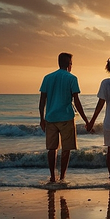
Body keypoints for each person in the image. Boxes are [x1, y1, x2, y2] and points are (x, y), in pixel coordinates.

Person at [39, 52, 89, 182]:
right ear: (69, 64)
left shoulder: (47, 78)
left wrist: (41, 118)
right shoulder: (72, 78)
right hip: (66, 117)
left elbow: (42, 100)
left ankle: (52, 176)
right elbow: (76, 101)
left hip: (50, 118)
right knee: (66, 149)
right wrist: (86, 119)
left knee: (52, 149)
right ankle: (62, 176)